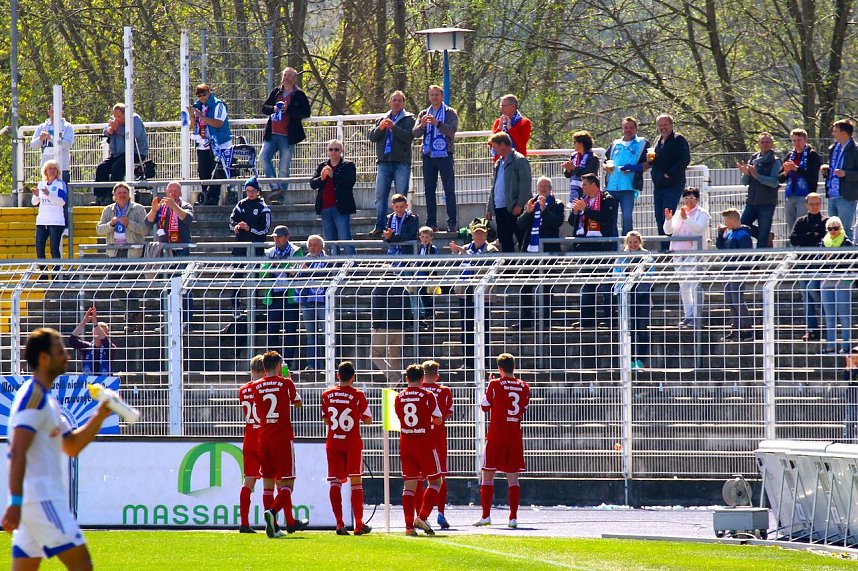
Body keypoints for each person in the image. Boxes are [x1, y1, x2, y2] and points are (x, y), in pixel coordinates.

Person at [2, 328, 114, 568]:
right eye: (60, 351)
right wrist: (15, 502)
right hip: (42, 500)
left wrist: (99, 415)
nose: (67, 356)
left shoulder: (47, 399)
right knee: (82, 566)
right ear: (44, 358)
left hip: (32, 503)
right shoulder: (33, 397)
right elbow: (18, 451)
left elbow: (71, 446)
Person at [255, 351, 309, 538]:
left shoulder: (255, 386)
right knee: (288, 484)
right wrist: (288, 379)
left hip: (263, 438)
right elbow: (298, 403)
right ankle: (272, 512)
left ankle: (274, 527)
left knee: (268, 484)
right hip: (282, 439)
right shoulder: (286, 383)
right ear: (279, 366)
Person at [474, 353, 530, 529]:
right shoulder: (524, 386)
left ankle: (486, 516)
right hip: (514, 436)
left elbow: (484, 407)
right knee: (513, 478)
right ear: (514, 367)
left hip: (496, 435)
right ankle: (513, 518)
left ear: (499, 369)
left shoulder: (495, 384)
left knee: (487, 474)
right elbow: (523, 408)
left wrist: (489, 387)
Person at [321, 361, 373, 536]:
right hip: (352, 444)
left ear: (338, 376)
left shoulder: (327, 394)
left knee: (335, 482)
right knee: (356, 482)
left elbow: (326, 420)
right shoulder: (358, 395)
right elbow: (368, 420)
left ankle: (339, 523)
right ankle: (358, 524)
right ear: (353, 377)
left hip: (334, 443)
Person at [395, 364, 443, 536]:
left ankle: (408, 527)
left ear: (406, 379)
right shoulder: (428, 395)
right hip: (424, 443)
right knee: (436, 482)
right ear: (422, 378)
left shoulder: (399, 397)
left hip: (406, 443)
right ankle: (422, 516)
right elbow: (438, 419)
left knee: (409, 485)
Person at [450, 224, 499, 368]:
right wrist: (455, 253)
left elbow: (485, 265)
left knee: (484, 329)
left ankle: (484, 362)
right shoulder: (465, 248)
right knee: (466, 329)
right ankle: (468, 362)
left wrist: (465, 254)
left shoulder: (491, 249)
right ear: (471, 235)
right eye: (476, 233)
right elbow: (454, 266)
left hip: (483, 294)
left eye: (482, 233)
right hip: (465, 293)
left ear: (486, 235)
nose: (479, 236)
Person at [260, 67, 312, 203]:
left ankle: (280, 199)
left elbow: (306, 112)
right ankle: (275, 189)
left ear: (295, 79)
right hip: (271, 134)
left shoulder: (299, 94)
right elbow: (264, 108)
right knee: (263, 158)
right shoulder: (276, 92)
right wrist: (274, 109)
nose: (286, 78)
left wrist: (288, 109)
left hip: (288, 136)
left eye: (289, 76)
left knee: (284, 168)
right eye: (284, 75)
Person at [368, 91, 416, 236]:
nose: (396, 103)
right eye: (394, 100)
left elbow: (409, 137)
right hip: (384, 162)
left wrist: (393, 127)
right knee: (380, 196)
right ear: (390, 102)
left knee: (401, 196)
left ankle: (401, 226)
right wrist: (381, 128)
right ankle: (380, 226)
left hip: (401, 162)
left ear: (403, 103)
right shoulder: (381, 118)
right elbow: (372, 137)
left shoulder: (409, 119)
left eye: (399, 100)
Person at [413, 85, 459, 232]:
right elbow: (415, 133)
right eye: (432, 95)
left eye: (437, 95)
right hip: (428, 156)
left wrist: (437, 123)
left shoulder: (450, 112)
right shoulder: (423, 113)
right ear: (429, 97)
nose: (434, 97)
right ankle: (431, 222)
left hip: (445, 155)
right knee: (429, 190)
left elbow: (451, 131)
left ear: (442, 96)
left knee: (449, 190)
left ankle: (452, 222)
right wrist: (422, 125)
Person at [663, 187, 710, 328]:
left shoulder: (703, 213)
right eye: (686, 198)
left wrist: (686, 218)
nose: (688, 201)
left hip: (693, 253)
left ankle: (697, 316)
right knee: (683, 285)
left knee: (694, 284)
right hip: (678, 252)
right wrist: (668, 220)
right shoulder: (679, 213)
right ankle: (688, 315)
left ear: (697, 199)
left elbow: (698, 228)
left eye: (691, 198)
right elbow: (668, 231)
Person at [417, 360, 453, 530]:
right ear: (437, 376)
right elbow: (448, 414)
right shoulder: (444, 391)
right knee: (440, 478)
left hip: (419, 438)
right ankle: (440, 513)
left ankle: (418, 514)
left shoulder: (417, 392)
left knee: (417, 479)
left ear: (422, 375)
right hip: (437, 440)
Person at [263, 226, 304, 371]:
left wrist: (281, 266)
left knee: (290, 330)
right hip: (274, 296)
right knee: (272, 331)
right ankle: (273, 365)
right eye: (275, 237)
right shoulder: (269, 252)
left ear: (287, 237)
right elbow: (262, 272)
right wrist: (272, 267)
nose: (277, 239)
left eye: (279, 236)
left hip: (290, 296)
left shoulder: (296, 251)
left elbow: (297, 270)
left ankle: (287, 364)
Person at [648, 114, 691, 251]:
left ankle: (670, 248)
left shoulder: (679, 139)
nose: (663, 128)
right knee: (658, 217)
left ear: (671, 125)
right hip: (658, 185)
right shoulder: (657, 140)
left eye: (665, 125)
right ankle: (664, 249)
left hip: (673, 184)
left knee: (667, 215)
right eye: (660, 125)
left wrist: (670, 174)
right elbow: (655, 160)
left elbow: (684, 159)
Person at [789, 193, 828, 341]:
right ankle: (812, 329)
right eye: (811, 204)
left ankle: (828, 321)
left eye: (817, 203)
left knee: (813, 290)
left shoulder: (826, 221)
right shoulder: (801, 221)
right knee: (806, 297)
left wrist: (807, 237)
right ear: (806, 205)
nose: (814, 206)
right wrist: (812, 235)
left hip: (818, 264)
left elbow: (824, 238)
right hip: (803, 262)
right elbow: (794, 239)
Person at [93, 103, 148, 206]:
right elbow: (106, 130)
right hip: (117, 154)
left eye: (118, 116)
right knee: (101, 168)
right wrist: (110, 130)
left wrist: (118, 128)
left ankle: (111, 196)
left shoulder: (134, 119)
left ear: (125, 114)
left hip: (135, 152)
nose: (116, 118)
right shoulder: (114, 120)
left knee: (117, 166)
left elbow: (134, 134)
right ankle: (100, 196)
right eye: (115, 116)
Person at [486, 131, 532, 252]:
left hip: (515, 208)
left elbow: (525, 184)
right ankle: (509, 264)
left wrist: (520, 204)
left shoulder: (520, 160)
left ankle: (527, 263)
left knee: (522, 238)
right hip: (500, 208)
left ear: (503, 145)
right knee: (504, 239)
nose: (494, 150)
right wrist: (490, 208)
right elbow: (494, 187)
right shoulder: (498, 163)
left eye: (495, 147)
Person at [613, 231, 653, 368]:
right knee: (628, 329)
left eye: (635, 242)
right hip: (626, 296)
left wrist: (639, 275)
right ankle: (629, 359)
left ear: (640, 242)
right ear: (626, 243)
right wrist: (626, 275)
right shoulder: (621, 257)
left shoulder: (647, 256)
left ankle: (640, 360)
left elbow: (652, 273)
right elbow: (616, 274)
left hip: (642, 295)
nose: (633, 244)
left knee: (641, 328)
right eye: (630, 242)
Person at [310, 139, 357, 255]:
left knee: (345, 238)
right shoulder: (322, 166)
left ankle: (352, 262)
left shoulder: (348, 165)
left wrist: (333, 175)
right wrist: (321, 178)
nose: (333, 152)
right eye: (331, 149)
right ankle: (333, 263)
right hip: (325, 208)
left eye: (336, 149)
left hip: (341, 208)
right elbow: (313, 184)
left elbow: (350, 182)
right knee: (330, 241)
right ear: (327, 151)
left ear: (341, 151)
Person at [187, 83, 231, 205]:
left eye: (204, 94)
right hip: (202, 144)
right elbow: (192, 126)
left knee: (216, 170)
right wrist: (192, 116)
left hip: (218, 144)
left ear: (209, 93)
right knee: (203, 171)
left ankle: (213, 197)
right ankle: (205, 196)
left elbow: (218, 123)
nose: (202, 98)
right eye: (199, 95)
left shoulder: (218, 105)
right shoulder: (197, 106)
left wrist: (202, 116)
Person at [605, 117, 649, 236]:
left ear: (636, 129)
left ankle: (627, 244)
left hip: (629, 187)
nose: (628, 130)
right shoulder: (615, 144)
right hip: (611, 187)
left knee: (627, 218)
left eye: (631, 128)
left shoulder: (642, 143)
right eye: (626, 127)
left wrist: (633, 168)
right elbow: (605, 161)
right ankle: (613, 244)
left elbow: (648, 163)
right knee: (611, 218)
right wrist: (606, 167)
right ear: (622, 128)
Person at [715, 209, 754, 341]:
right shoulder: (731, 233)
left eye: (726, 220)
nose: (725, 223)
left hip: (737, 272)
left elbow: (746, 255)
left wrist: (741, 271)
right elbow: (720, 248)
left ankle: (747, 329)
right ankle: (736, 329)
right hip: (728, 271)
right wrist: (720, 235)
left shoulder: (743, 235)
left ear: (733, 220)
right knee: (730, 300)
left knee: (737, 300)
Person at [737, 133, 781, 248]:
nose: (765, 144)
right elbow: (744, 182)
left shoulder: (775, 161)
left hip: (767, 202)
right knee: (742, 226)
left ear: (772, 144)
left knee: (763, 233)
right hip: (752, 201)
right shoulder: (753, 158)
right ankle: (766, 237)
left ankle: (760, 257)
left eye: (767, 142)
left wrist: (757, 176)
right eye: (762, 142)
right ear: (758, 144)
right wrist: (746, 174)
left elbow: (774, 182)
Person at [237, 354, 266, 533]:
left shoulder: (242, 390)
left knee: (248, 482)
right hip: (264, 438)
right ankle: (273, 522)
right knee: (272, 482)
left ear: (251, 370)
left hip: (249, 439)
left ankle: (244, 523)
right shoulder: (265, 389)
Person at [819, 216, 854, 354]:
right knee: (829, 316)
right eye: (830, 228)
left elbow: (849, 262)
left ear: (841, 228)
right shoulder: (824, 243)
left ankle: (845, 345)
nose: (833, 231)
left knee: (844, 315)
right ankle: (831, 345)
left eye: (836, 228)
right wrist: (830, 259)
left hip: (844, 279)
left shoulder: (847, 243)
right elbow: (819, 262)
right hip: (827, 279)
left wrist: (832, 258)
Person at [779, 128, 822, 234]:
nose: (796, 143)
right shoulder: (790, 155)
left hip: (805, 196)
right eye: (794, 140)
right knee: (791, 227)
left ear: (805, 140)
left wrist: (796, 169)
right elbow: (780, 178)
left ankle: (803, 244)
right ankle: (793, 244)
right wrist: (786, 172)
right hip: (790, 195)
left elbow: (813, 176)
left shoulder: (812, 154)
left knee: (802, 225)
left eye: (799, 140)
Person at [823, 120, 858, 240]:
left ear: (844, 133)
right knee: (832, 229)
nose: (833, 134)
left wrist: (846, 174)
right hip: (832, 193)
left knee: (845, 228)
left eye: (835, 131)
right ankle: (834, 251)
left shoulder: (855, 150)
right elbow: (834, 166)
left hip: (846, 195)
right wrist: (827, 169)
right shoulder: (834, 148)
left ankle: (847, 251)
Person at [96, 182, 149, 258]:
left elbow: (145, 230)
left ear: (129, 194)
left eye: (124, 192)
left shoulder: (139, 209)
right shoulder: (107, 209)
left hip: (132, 252)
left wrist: (129, 223)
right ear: (114, 195)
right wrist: (111, 224)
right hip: (113, 251)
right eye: (119, 193)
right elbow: (99, 230)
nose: (122, 195)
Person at [298, 235, 327, 371]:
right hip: (307, 302)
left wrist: (308, 272)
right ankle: (312, 365)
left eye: (315, 245)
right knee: (311, 335)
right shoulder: (303, 261)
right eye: (310, 245)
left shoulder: (328, 261)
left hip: (324, 302)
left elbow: (324, 277)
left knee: (328, 334)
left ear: (322, 247)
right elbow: (298, 280)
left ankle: (331, 365)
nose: (312, 248)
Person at [370, 283, 408, 385]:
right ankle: (398, 384)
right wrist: (404, 326)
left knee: (374, 355)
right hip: (400, 328)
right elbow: (408, 310)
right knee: (395, 358)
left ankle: (394, 378)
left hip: (383, 327)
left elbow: (376, 309)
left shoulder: (379, 288)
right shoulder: (403, 289)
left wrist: (375, 326)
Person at [569, 173, 617, 251]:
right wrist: (574, 212)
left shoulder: (607, 199)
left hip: (601, 245)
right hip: (582, 244)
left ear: (593, 185)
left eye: (584, 185)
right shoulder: (582, 199)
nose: (582, 187)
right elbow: (572, 223)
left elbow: (605, 219)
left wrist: (585, 210)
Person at [517, 176, 564, 253]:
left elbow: (557, 223)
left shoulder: (557, 204)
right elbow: (520, 225)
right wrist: (527, 213)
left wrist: (544, 210)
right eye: (540, 186)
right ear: (537, 189)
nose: (543, 189)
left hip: (549, 249)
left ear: (550, 189)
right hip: (529, 248)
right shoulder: (531, 203)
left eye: (545, 186)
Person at [146, 181, 195, 257]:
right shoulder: (161, 206)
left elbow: (188, 219)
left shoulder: (185, 206)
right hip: (163, 247)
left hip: (181, 248)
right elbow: (148, 222)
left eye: (176, 191)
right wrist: (153, 210)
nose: (173, 193)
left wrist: (174, 206)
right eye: (170, 190)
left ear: (180, 193)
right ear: (166, 192)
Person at [32, 160, 67, 260]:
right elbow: (34, 202)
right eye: (49, 168)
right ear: (45, 171)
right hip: (42, 221)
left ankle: (56, 269)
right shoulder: (41, 184)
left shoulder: (60, 184)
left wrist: (49, 195)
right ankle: (43, 270)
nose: (52, 171)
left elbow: (62, 202)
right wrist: (36, 195)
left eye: (54, 169)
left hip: (56, 222)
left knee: (54, 249)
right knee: (39, 250)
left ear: (57, 171)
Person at [229, 176, 271, 257]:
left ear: (258, 191)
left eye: (253, 191)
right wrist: (236, 227)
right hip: (240, 245)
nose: (250, 193)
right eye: (248, 191)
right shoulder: (241, 204)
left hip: (256, 247)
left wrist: (250, 228)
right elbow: (232, 220)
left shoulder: (263, 207)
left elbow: (265, 228)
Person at [67, 306, 115, 375]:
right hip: (88, 380)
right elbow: (72, 340)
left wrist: (95, 323)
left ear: (106, 334)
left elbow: (105, 341)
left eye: (101, 332)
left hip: (106, 380)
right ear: (92, 332)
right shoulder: (86, 346)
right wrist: (83, 322)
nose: (98, 334)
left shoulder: (111, 347)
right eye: (96, 331)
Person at [562, 130, 600, 204]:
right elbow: (568, 175)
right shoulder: (574, 156)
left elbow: (589, 174)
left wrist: (574, 168)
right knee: (575, 209)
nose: (573, 144)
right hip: (575, 191)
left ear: (581, 143)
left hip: (588, 192)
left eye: (574, 142)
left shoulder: (593, 157)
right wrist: (568, 169)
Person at [843, 346, 858, 442]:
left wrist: (855, 368)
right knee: (849, 421)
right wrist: (848, 369)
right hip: (852, 398)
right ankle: (847, 442)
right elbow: (845, 378)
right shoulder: (851, 366)